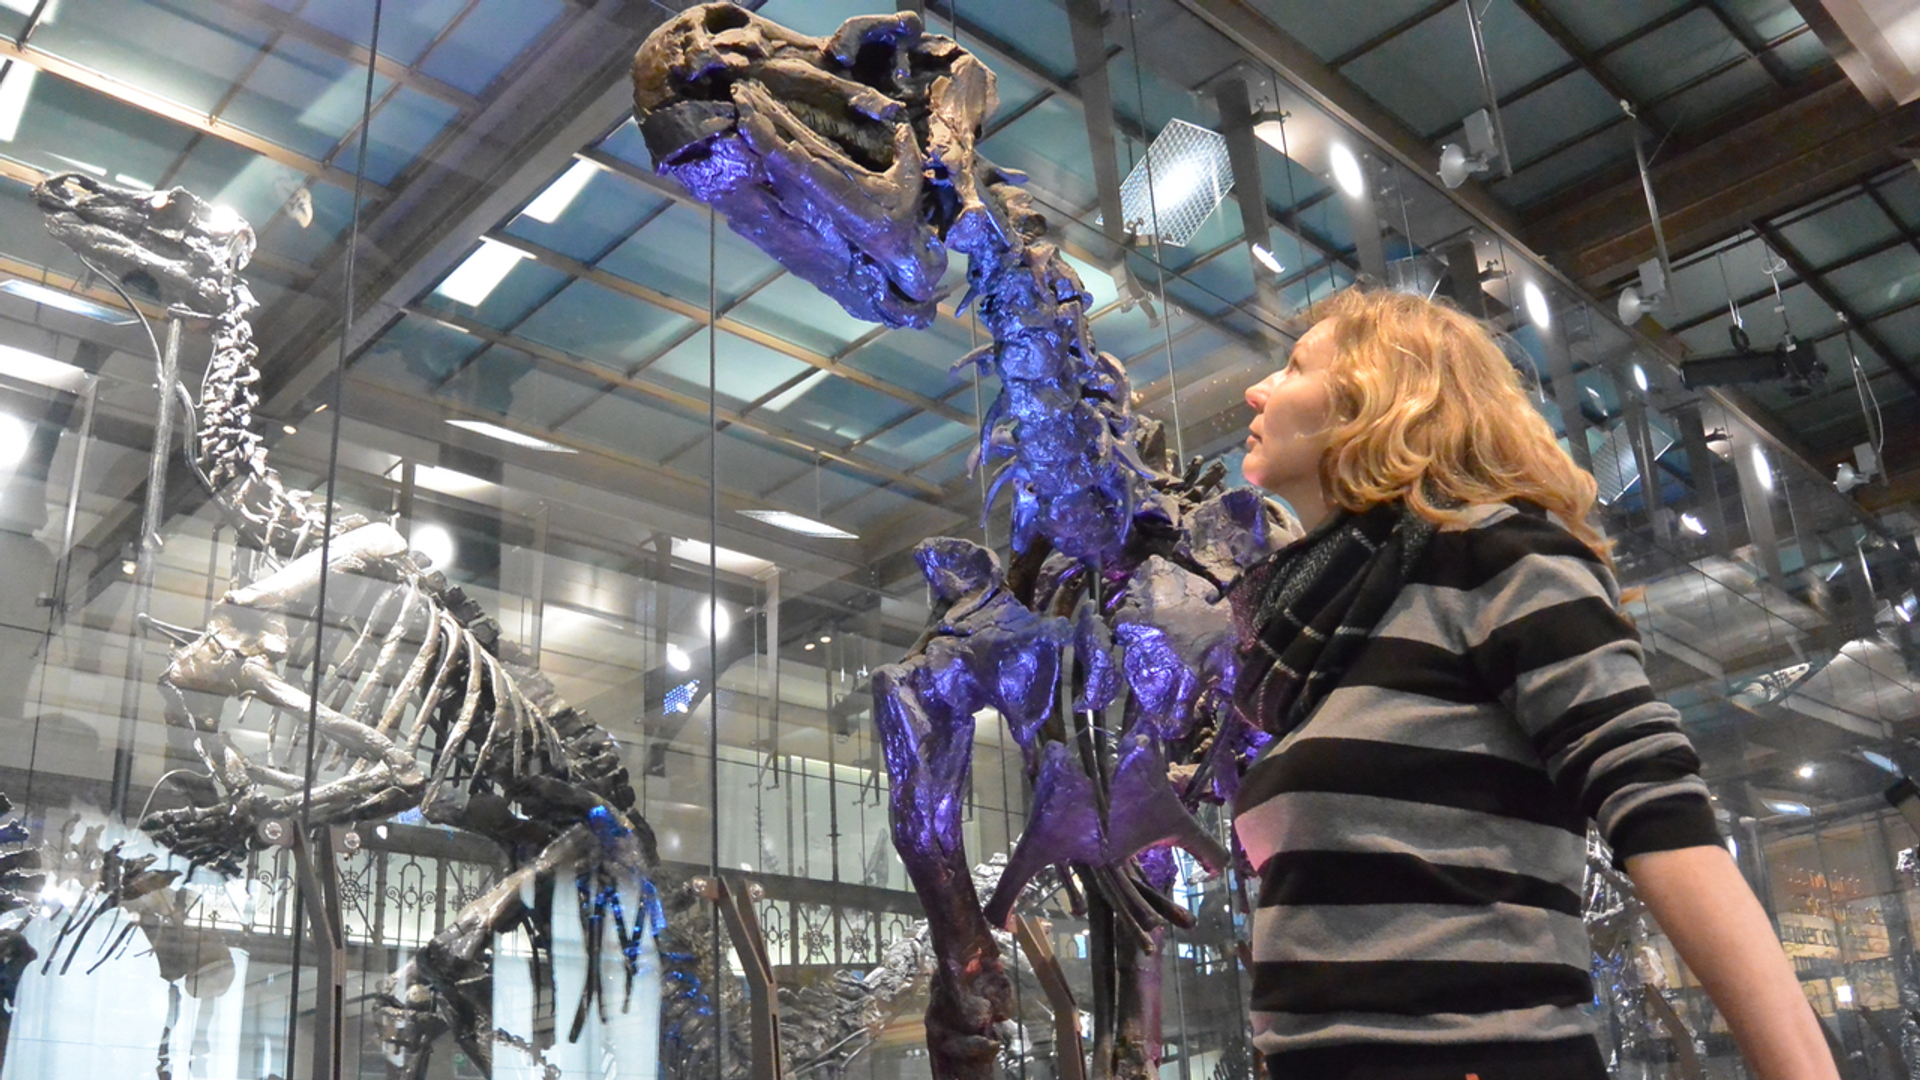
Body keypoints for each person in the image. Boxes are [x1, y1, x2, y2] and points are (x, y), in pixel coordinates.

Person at [1229, 287, 1838, 1080]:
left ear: (1378, 398)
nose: (1256, 388)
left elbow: (1659, 813)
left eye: (1296, 365)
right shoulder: (1319, 637)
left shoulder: (1502, 558)